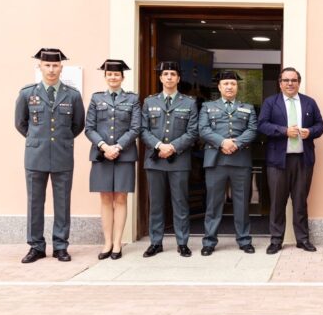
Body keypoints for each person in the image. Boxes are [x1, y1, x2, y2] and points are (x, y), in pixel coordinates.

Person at [15, 48, 85, 263]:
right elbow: (20, 123)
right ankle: (35, 246)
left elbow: (78, 125)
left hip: (62, 156)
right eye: (47, 65)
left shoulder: (72, 95)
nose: (51, 69)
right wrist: (38, 139)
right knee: (35, 202)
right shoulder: (27, 93)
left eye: (55, 65)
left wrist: (60, 141)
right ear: (40, 67)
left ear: (61, 68)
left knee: (62, 203)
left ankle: (60, 246)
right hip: (36, 156)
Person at [258, 67, 323, 254]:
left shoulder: (309, 103)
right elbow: (262, 125)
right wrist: (283, 131)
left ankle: (302, 239)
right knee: (277, 202)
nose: (290, 83)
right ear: (280, 83)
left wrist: (310, 132)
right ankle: (276, 240)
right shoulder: (271, 102)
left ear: (299, 82)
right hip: (278, 161)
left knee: (300, 201)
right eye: (286, 80)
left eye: (293, 80)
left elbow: (321, 125)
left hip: (303, 160)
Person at [140, 61, 199, 258]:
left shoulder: (189, 103)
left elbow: (192, 132)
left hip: (179, 160)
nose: (169, 77)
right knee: (156, 204)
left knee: (180, 203)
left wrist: (173, 147)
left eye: (173, 74)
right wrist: (159, 146)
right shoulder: (150, 102)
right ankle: (156, 242)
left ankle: (182, 242)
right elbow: (143, 129)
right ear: (160, 78)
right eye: (166, 74)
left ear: (178, 78)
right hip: (155, 160)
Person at [84, 59, 141, 260]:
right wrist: (104, 146)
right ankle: (107, 241)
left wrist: (117, 146)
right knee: (106, 197)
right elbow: (89, 127)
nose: (113, 77)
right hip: (101, 155)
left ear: (122, 77)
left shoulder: (133, 99)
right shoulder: (96, 98)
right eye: (110, 75)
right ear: (106, 77)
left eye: (117, 75)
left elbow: (135, 128)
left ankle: (118, 242)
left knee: (121, 197)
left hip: (124, 155)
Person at [198, 70, 257, 256]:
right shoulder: (207, 107)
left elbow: (252, 129)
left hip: (240, 161)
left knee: (241, 204)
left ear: (237, 87)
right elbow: (203, 129)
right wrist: (222, 142)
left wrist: (236, 143)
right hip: (216, 161)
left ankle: (244, 240)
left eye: (233, 84)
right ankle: (209, 241)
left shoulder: (248, 107)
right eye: (226, 84)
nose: (229, 87)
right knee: (213, 203)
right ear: (219, 87)